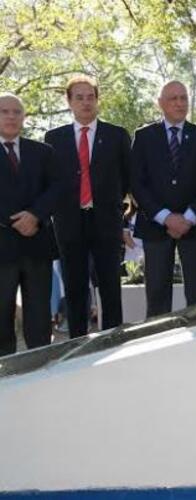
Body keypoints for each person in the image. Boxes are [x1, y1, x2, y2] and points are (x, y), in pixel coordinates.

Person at [45, 75, 131, 337]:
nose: (86, 102)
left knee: (109, 285)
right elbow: (49, 181)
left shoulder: (116, 135)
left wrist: (120, 211)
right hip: (69, 222)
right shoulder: (54, 137)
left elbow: (127, 177)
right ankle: (77, 344)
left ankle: (114, 340)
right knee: (74, 286)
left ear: (97, 100)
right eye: (79, 97)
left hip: (106, 220)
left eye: (90, 97)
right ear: (69, 101)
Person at [130, 81, 196, 317]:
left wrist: (189, 217)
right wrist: (165, 217)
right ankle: (159, 345)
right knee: (157, 296)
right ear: (160, 103)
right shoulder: (143, 136)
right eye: (173, 99)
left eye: (183, 98)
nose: (180, 103)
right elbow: (137, 183)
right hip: (155, 227)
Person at [0, 93, 63, 355]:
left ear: (24, 117)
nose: (11, 117)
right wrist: (14, 221)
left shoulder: (43, 152)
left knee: (38, 318)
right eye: (5, 112)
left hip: (37, 244)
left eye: (17, 112)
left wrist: (34, 215)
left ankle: (40, 370)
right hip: (2, 247)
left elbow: (58, 187)